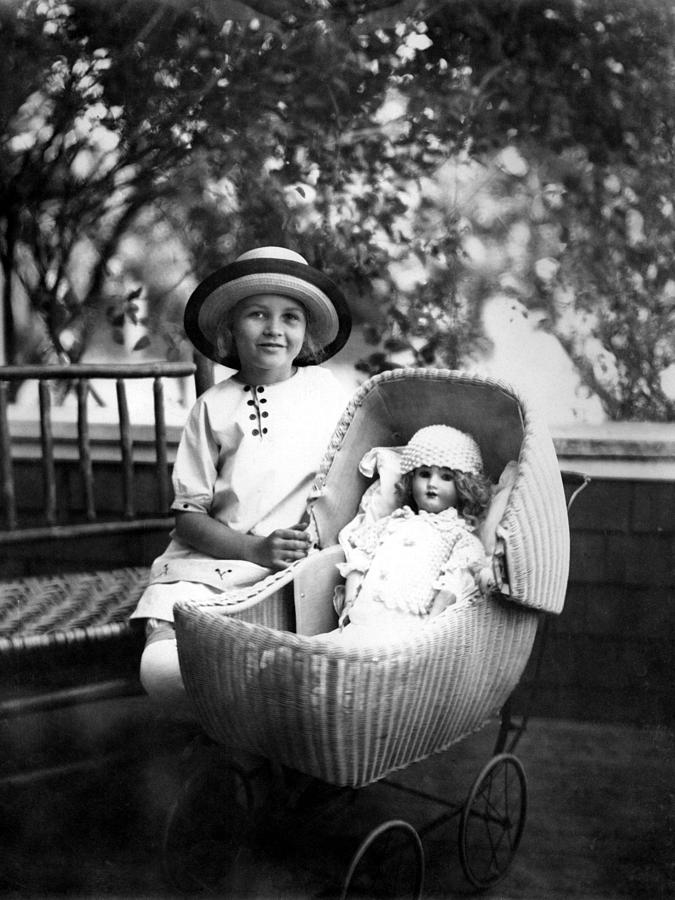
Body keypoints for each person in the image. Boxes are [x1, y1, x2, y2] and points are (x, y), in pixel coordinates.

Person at [131, 246, 352, 710]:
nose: (274, 329)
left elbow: (356, 472)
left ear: (306, 332)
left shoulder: (329, 394)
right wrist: (253, 548)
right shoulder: (213, 406)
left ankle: (253, 697)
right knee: (163, 664)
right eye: (257, 314)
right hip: (220, 554)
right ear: (231, 327)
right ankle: (214, 686)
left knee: (291, 642)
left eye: (291, 317)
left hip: (296, 565)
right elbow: (188, 520)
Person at [331, 424, 494, 644]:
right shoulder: (393, 522)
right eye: (424, 474)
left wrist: (430, 628)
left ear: (464, 486)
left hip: (409, 629)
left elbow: (456, 582)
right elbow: (359, 560)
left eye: (446, 477)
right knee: (336, 651)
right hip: (364, 616)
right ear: (410, 480)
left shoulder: (458, 535)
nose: (432, 483)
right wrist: (350, 600)